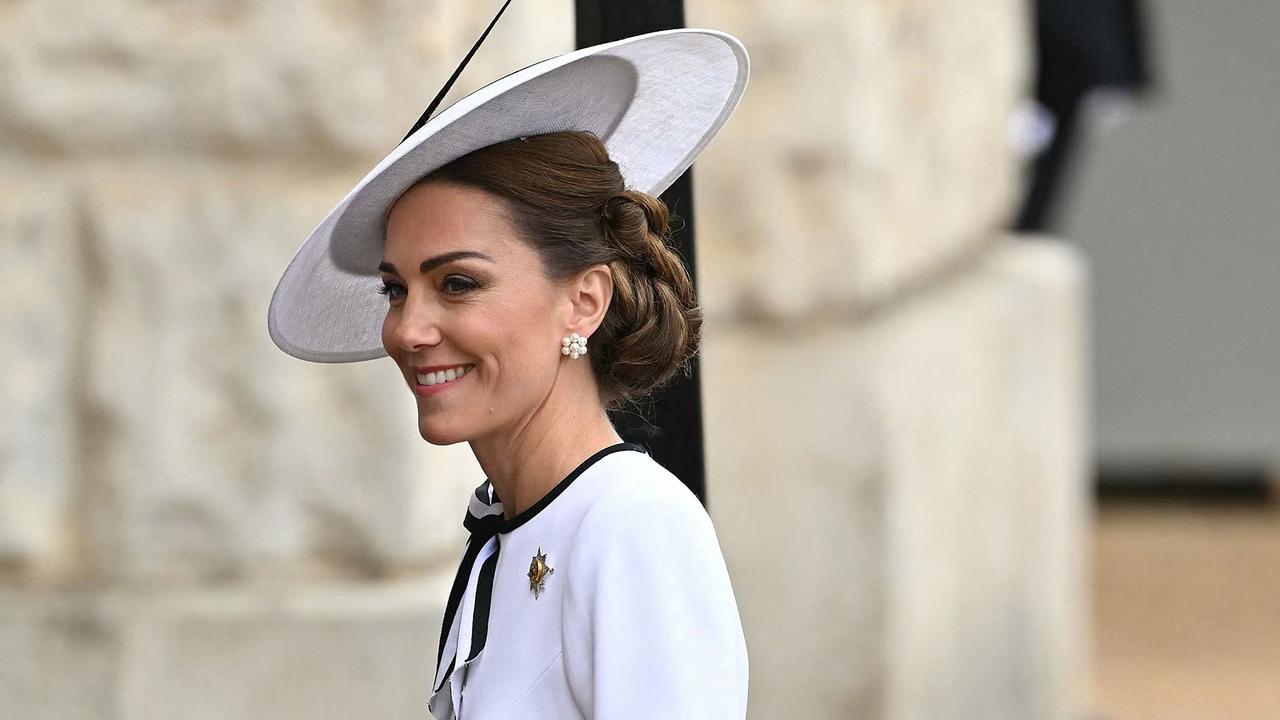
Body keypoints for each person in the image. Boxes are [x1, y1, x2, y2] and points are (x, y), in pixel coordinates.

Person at [266, 26, 751, 720]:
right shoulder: (507, 532)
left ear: (583, 301)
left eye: (458, 283)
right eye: (396, 289)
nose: (408, 329)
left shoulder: (631, 526)